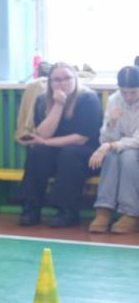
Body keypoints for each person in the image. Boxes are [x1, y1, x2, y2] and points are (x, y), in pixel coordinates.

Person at [18, 63, 102, 228]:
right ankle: (31, 207)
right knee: (37, 151)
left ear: (75, 79)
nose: (62, 83)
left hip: (88, 156)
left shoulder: (88, 99)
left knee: (69, 153)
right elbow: (43, 134)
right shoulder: (42, 100)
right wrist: (58, 105)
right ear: (49, 83)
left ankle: (67, 210)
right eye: (56, 80)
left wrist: (46, 142)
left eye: (67, 78)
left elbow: (81, 138)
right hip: (56, 153)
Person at [89, 65, 139, 233]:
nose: (128, 97)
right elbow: (105, 139)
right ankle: (103, 210)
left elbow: (137, 140)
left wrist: (111, 145)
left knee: (128, 156)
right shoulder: (114, 100)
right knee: (111, 156)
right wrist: (112, 123)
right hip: (121, 147)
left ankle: (130, 213)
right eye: (124, 92)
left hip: (134, 148)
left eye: (134, 92)